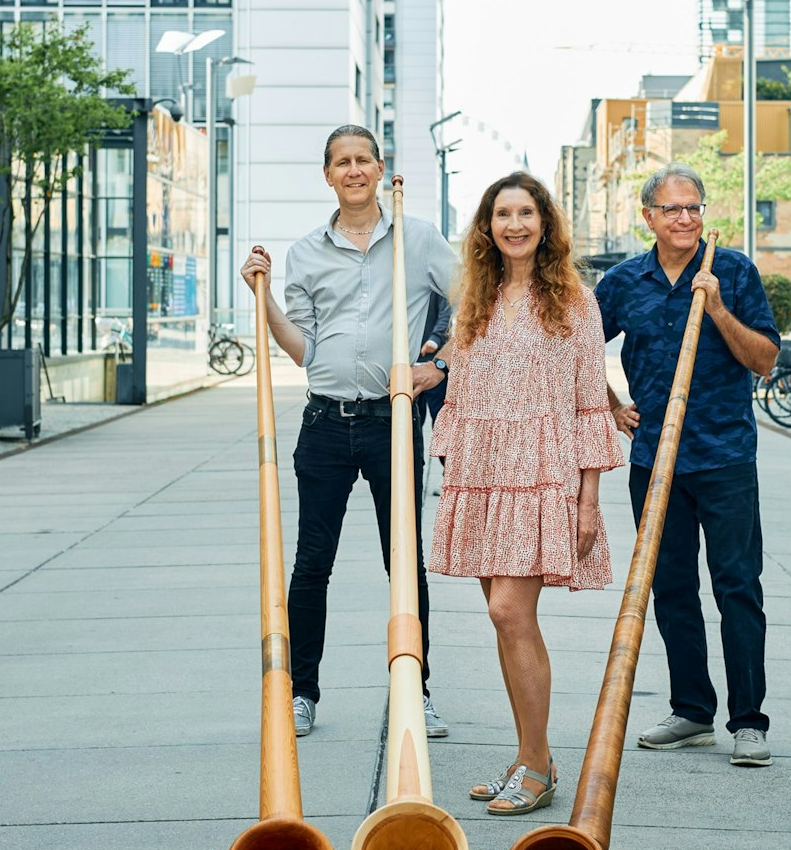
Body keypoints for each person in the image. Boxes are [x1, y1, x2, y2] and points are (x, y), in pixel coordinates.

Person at [241, 125, 453, 740]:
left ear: (381, 168)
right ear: (328, 175)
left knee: (404, 563)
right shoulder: (306, 252)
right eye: (342, 162)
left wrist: (440, 364)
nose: (354, 170)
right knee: (312, 563)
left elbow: (474, 303)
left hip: (393, 421)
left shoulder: (418, 237)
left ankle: (416, 691)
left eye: (363, 159)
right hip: (324, 424)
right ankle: (301, 693)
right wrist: (262, 297)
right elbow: (302, 350)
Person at [427, 172, 625, 814]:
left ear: (545, 224)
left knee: (510, 613)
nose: (514, 225)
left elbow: (590, 402)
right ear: (487, 227)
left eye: (526, 213)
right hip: (483, 475)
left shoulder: (575, 301)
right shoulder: (474, 300)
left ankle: (537, 766)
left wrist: (588, 500)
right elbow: (459, 391)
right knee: (504, 620)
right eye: (502, 214)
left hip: (544, 475)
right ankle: (526, 756)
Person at [594, 163, 780, 769]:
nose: (685, 218)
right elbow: (576, 350)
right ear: (648, 216)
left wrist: (719, 308)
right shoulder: (625, 281)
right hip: (655, 460)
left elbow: (765, 360)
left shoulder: (734, 271)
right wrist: (611, 404)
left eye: (693, 207)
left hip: (725, 457)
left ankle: (748, 721)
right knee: (671, 588)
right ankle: (693, 711)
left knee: (737, 588)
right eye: (672, 209)